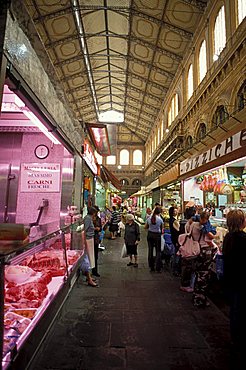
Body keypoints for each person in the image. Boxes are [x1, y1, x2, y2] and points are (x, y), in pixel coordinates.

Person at [222, 209, 246, 354]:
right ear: (241, 222)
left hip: (230, 278)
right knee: (239, 309)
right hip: (241, 279)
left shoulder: (228, 237)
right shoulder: (243, 239)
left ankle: (235, 337)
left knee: (235, 310)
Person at [192, 211, 218, 307]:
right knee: (204, 276)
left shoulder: (192, 224)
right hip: (205, 252)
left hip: (196, 251)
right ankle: (200, 299)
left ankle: (195, 296)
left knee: (198, 274)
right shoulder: (204, 227)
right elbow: (209, 238)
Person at [82, 206, 98, 287]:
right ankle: (89, 279)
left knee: (90, 258)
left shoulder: (88, 218)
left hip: (90, 240)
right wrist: (84, 242)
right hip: (88, 240)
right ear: (94, 213)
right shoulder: (88, 219)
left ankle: (89, 277)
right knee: (88, 260)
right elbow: (84, 230)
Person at [145, 206, 164, 272]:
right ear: (159, 212)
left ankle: (151, 267)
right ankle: (158, 268)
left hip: (150, 235)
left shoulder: (149, 218)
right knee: (158, 251)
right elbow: (162, 230)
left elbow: (145, 227)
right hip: (157, 236)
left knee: (150, 250)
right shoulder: (160, 219)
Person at [169, 206, 181, 276]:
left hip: (173, 239)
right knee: (177, 255)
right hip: (176, 240)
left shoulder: (171, 220)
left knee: (176, 254)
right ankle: (175, 270)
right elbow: (178, 230)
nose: (176, 212)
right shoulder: (174, 221)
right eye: (175, 211)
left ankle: (175, 269)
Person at [92, 205, 102, 277]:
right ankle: (88, 273)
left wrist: (99, 229)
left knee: (95, 256)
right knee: (90, 256)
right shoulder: (89, 219)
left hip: (96, 239)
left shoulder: (98, 219)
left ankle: (95, 271)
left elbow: (100, 228)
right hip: (89, 239)